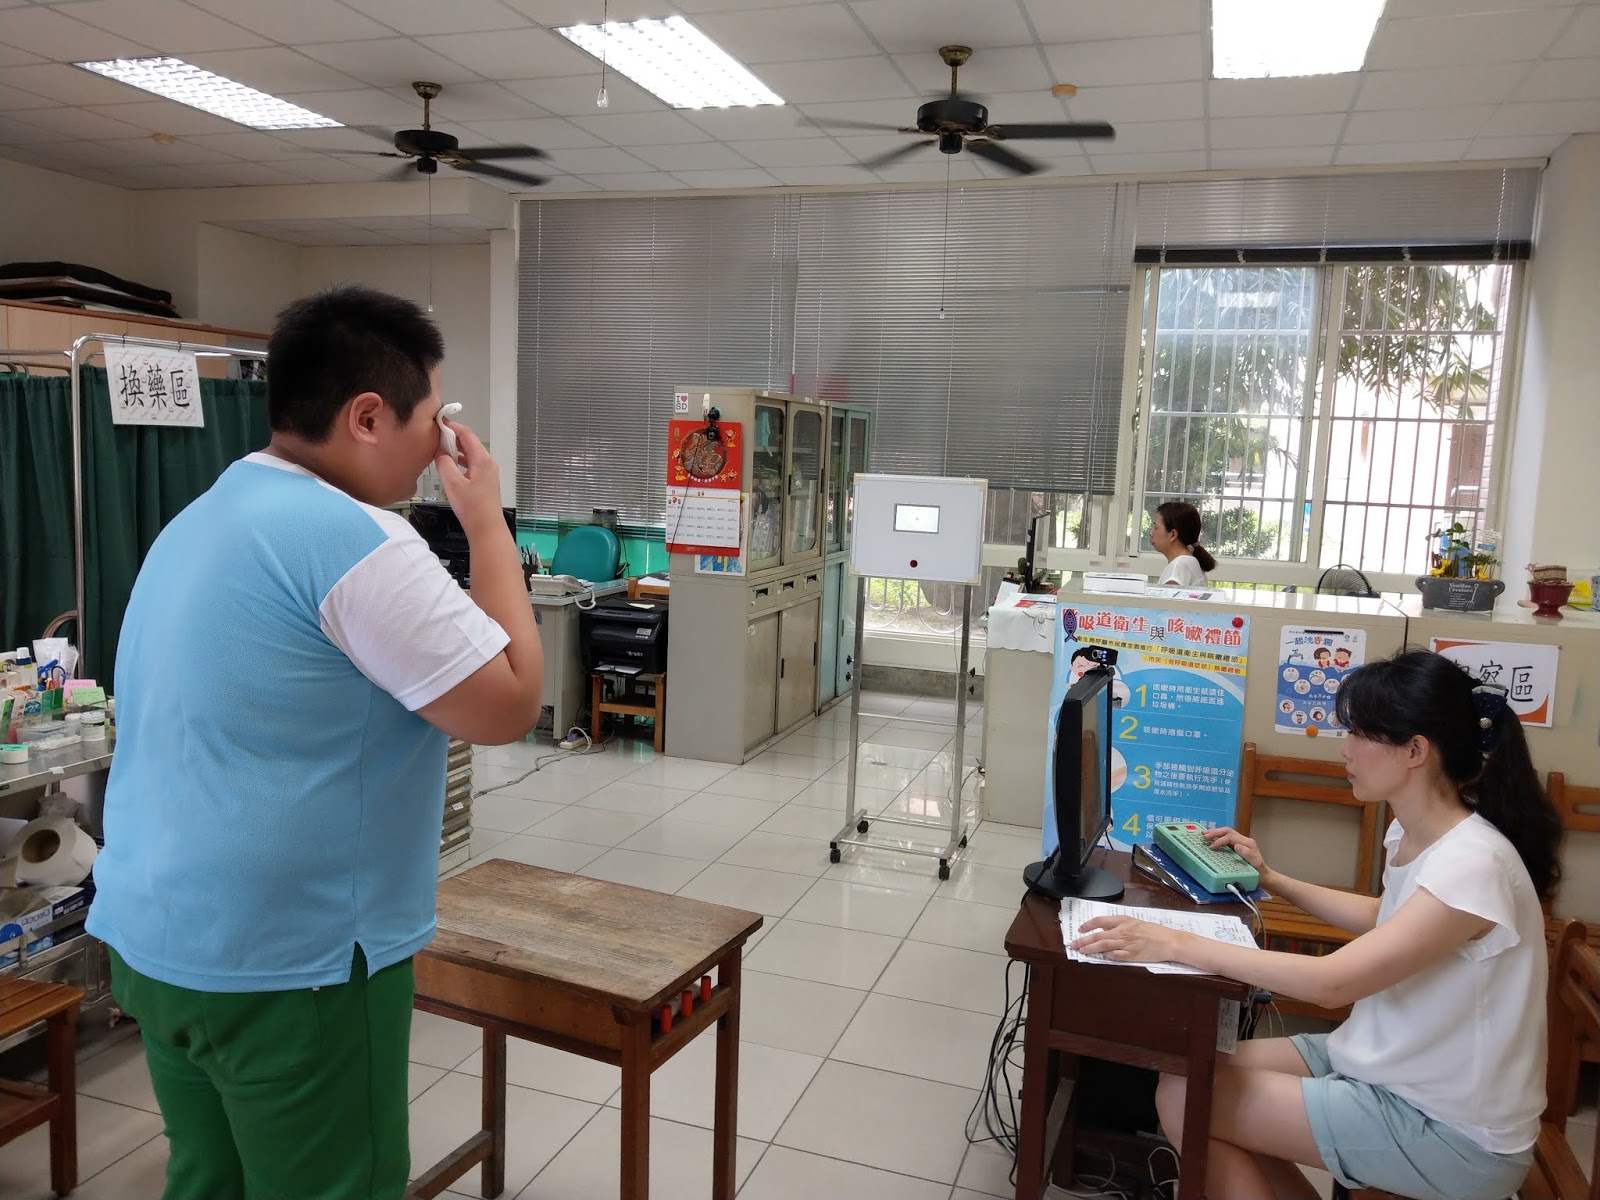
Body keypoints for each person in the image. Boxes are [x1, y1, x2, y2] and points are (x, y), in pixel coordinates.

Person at [87, 285, 545, 1200]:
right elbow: (509, 704)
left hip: (155, 939)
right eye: (435, 418)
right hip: (293, 965)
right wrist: (486, 520)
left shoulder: (200, 517)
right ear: (367, 417)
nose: (442, 445)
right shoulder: (357, 541)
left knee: (209, 1182)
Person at [1072, 650, 1562, 1200]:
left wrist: (1176, 942)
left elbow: (1334, 984)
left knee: (1188, 1097)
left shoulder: (1474, 865)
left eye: (1359, 733)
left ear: (1415, 751)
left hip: (1451, 1127)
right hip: (1386, 1059)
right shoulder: (1414, 833)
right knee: (1186, 1068)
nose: (1344, 748)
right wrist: (1271, 878)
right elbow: (1384, 917)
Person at [1151, 500, 1216, 587]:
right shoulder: (1187, 561)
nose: (1151, 533)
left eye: (1155, 527)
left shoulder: (1179, 566)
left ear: (1173, 535)